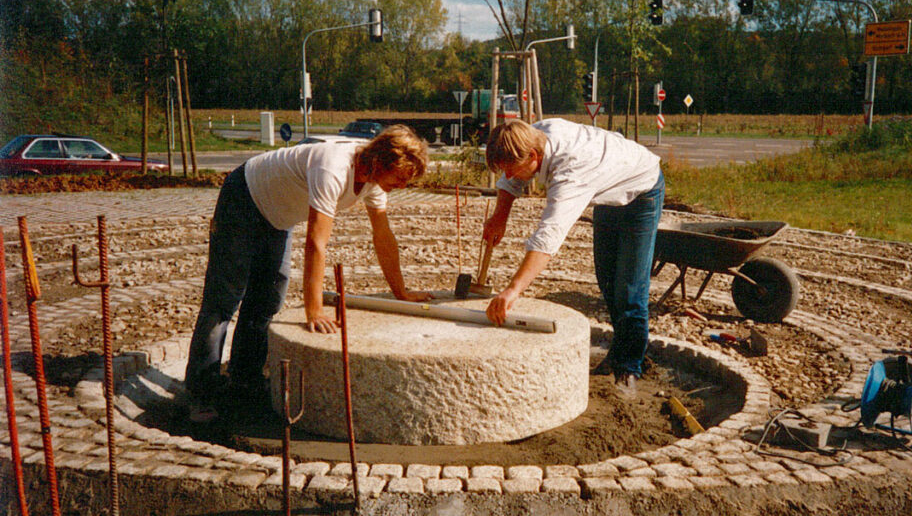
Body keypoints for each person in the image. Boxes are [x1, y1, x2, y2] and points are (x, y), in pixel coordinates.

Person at [184, 125, 432, 422]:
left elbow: (383, 236)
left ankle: (244, 380)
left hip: (278, 216)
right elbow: (316, 241)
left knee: (267, 301)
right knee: (224, 300)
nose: (402, 186)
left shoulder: (375, 182)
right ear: (380, 162)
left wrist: (400, 291)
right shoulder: (335, 167)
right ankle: (201, 393)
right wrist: (314, 310)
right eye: (401, 178)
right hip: (244, 197)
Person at [482, 118, 663, 395]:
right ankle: (618, 352)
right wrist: (499, 217)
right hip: (607, 188)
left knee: (629, 289)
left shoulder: (571, 174)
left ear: (533, 156)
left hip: (642, 191)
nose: (509, 175)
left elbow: (549, 236)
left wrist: (512, 290)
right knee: (607, 280)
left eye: (512, 169)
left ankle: (629, 367)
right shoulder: (532, 134)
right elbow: (511, 181)